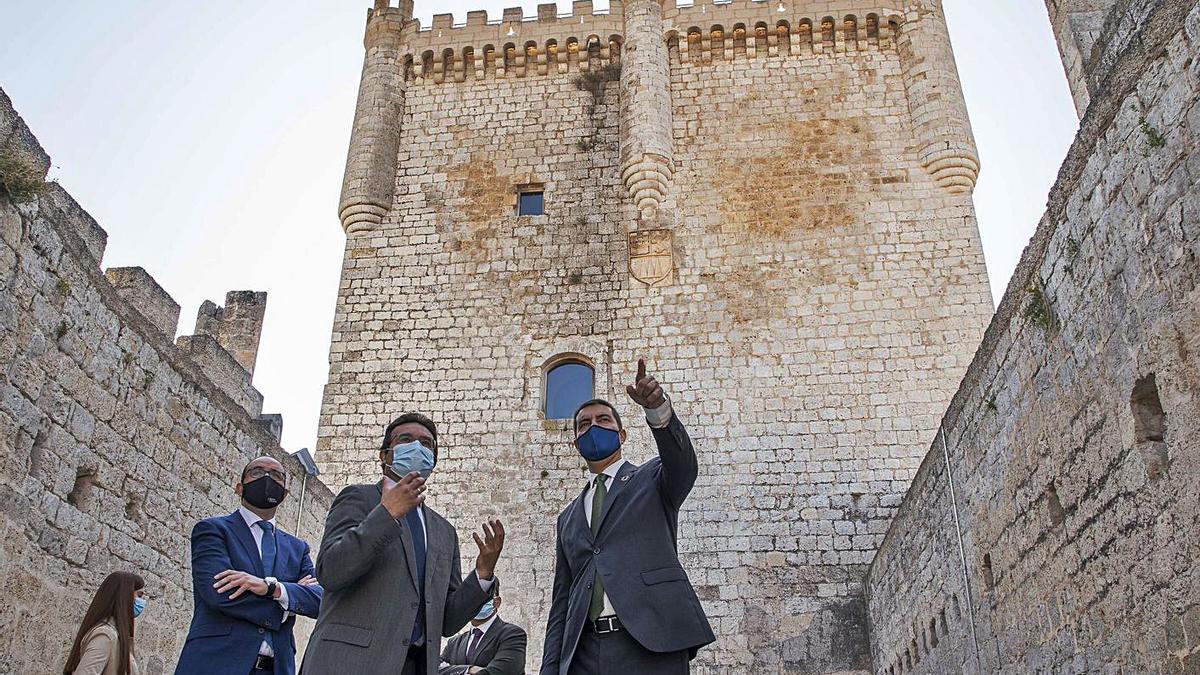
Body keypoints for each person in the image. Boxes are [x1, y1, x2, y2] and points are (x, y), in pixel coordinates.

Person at [540, 359, 715, 675]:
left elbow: (683, 464)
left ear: (622, 435)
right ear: (576, 442)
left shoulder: (652, 480)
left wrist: (658, 409)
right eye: (584, 424)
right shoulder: (567, 518)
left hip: (651, 644)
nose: (593, 427)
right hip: (583, 653)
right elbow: (562, 600)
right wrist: (551, 667)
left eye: (603, 420)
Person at [301, 412, 506, 675]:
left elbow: (446, 621)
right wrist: (386, 514)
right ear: (384, 455)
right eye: (406, 439)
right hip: (350, 663)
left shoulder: (443, 531)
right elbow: (331, 571)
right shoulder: (359, 499)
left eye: (427, 444)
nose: (418, 448)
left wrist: (483, 573)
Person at [175, 456, 323, 675]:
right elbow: (220, 593)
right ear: (239, 488)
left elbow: (320, 600)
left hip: (276, 667)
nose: (266, 478)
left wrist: (271, 588)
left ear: (285, 494)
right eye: (257, 472)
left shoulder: (297, 548)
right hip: (217, 663)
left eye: (276, 475)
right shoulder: (213, 531)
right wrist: (287, 600)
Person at [63, 571, 145, 675]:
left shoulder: (115, 634)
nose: (141, 601)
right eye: (139, 595)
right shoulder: (106, 635)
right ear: (124, 595)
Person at [438, 579, 527, 675]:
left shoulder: (512, 635)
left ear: (496, 602)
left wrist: (452, 670)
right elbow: (435, 669)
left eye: (483, 598)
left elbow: (501, 672)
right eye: (471, 599)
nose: (476, 603)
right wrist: (469, 669)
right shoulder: (454, 643)